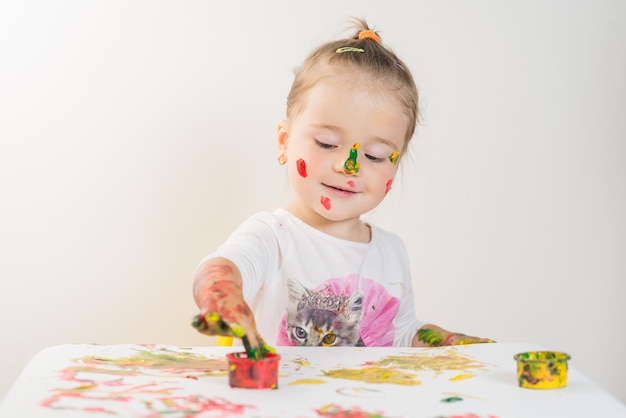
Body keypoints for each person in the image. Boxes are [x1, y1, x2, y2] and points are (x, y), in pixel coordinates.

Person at [192, 19, 493, 355]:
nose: (349, 166)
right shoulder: (272, 238)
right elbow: (220, 269)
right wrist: (222, 295)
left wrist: (450, 342)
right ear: (284, 141)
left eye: (375, 156)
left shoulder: (391, 253)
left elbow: (402, 334)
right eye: (326, 143)